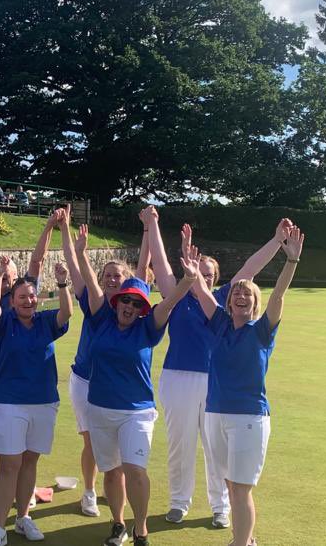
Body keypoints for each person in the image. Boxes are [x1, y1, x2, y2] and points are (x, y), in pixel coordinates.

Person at [145, 209, 293, 529]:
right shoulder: (181, 292)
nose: (206, 276)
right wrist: (152, 225)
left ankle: (220, 506)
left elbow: (251, 267)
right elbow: (158, 262)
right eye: (202, 271)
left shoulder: (227, 298)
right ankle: (178, 502)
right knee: (179, 444)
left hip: (213, 384)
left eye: (210, 273)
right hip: (177, 377)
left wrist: (278, 240)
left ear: (217, 277)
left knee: (217, 451)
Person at [77, 221, 198, 546]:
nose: (129, 307)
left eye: (136, 304)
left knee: (135, 470)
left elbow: (169, 303)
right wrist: (80, 254)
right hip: (100, 409)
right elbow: (91, 282)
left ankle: (140, 528)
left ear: (143, 309)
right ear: (117, 302)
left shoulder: (149, 327)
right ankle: (118, 524)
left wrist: (188, 280)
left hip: (137, 412)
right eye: (125, 301)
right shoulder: (101, 318)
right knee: (111, 472)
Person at [189, 226, 304, 546]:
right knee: (230, 483)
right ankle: (247, 539)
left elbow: (279, 295)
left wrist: (291, 261)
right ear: (230, 301)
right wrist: (192, 269)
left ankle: (240, 543)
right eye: (237, 292)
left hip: (249, 418)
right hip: (215, 415)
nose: (241, 296)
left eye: (247, 294)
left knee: (240, 489)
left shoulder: (262, 330)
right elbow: (201, 292)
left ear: (254, 302)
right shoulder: (220, 325)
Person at [58, 204, 152, 520]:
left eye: (118, 276)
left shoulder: (132, 306)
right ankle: (88, 492)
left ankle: (119, 507)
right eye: (107, 275)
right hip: (85, 380)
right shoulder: (94, 302)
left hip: (118, 390)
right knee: (91, 443)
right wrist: (65, 232)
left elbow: (144, 266)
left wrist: (147, 229)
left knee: (120, 454)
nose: (112, 279)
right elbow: (74, 264)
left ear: (127, 282)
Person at [0, 257, 72, 546]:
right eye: (22, 297)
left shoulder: (46, 320)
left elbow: (67, 313)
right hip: (9, 402)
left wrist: (61, 283)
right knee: (9, 464)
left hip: (44, 401)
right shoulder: (4, 321)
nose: (28, 301)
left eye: (32, 296)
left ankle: (23, 518)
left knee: (30, 461)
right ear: (13, 301)